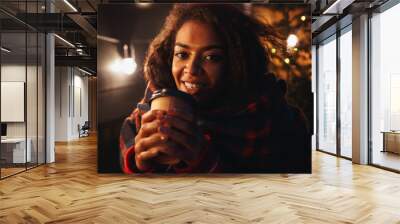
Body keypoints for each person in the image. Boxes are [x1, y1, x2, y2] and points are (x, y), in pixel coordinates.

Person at [119, 4, 311, 173]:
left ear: (237, 62)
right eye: (182, 54)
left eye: (211, 57)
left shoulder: (280, 122)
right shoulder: (145, 113)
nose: (192, 69)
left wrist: (205, 163)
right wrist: (139, 165)